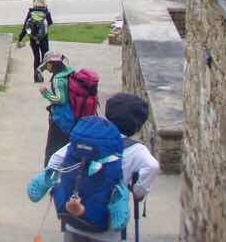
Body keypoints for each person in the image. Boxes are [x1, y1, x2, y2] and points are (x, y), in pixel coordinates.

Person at [46, 93, 160, 242]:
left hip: (74, 220)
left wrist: (60, 185)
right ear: (136, 125)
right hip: (106, 227)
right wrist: (139, 191)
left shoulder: (88, 137)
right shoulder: (137, 150)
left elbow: (55, 159)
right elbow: (152, 166)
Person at [39, 51, 74, 165]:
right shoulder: (68, 73)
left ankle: (49, 171)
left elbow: (60, 99)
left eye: (47, 65)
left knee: (52, 149)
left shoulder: (57, 79)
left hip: (60, 119)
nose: (46, 67)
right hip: (70, 117)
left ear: (51, 64)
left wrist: (46, 93)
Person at [18, 0, 53, 83]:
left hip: (33, 38)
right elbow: (50, 23)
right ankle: (40, 72)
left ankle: (36, 78)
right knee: (45, 57)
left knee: (36, 57)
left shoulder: (31, 12)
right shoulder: (46, 12)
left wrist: (20, 38)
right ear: (44, 2)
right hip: (43, 38)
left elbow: (25, 27)